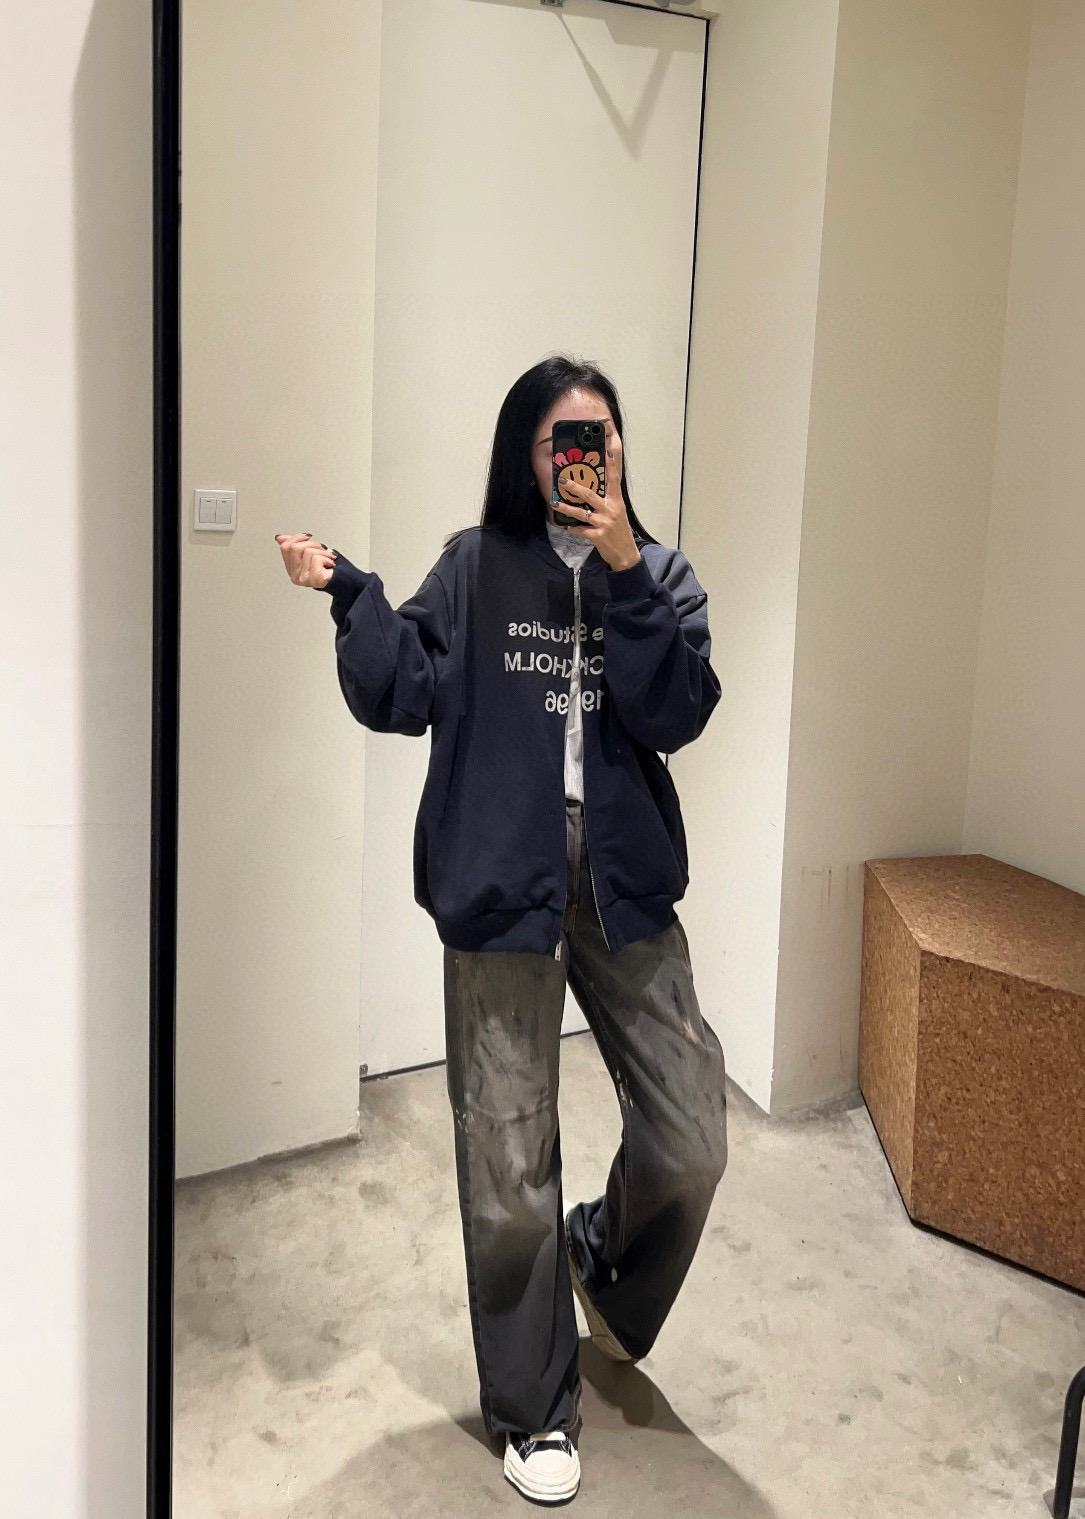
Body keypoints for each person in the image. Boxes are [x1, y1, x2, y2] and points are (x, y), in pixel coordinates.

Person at [276, 355, 728, 1505]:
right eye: (560, 441)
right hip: (502, 888)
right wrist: (350, 593)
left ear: (618, 451)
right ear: (525, 457)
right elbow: (403, 689)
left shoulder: (662, 575)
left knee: (691, 1135)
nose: (583, 458)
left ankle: (604, 1265)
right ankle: (534, 1407)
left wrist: (622, 565)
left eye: (599, 438)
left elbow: (676, 709)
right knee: (508, 1158)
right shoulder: (477, 567)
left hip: (623, 887)